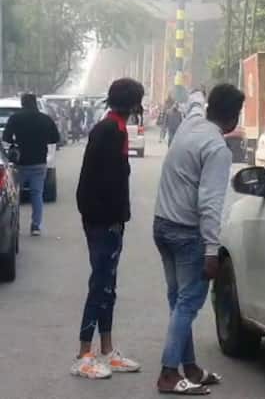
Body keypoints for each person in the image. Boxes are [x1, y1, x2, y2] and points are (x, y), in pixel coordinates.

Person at [154, 84, 245, 395]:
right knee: (188, 304)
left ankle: (189, 368)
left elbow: (194, 101)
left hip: (162, 225)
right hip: (185, 233)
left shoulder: (191, 122)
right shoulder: (218, 149)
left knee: (178, 303)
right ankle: (168, 374)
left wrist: (196, 92)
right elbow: (210, 203)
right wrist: (211, 250)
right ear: (233, 116)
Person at [72, 78, 145, 380]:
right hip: (104, 221)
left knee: (108, 287)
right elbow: (102, 181)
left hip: (105, 218)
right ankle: (84, 354)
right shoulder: (110, 131)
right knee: (100, 285)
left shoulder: (113, 127)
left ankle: (107, 349)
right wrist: (110, 217)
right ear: (133, 104)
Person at [2, 94, 60, 236]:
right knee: (37, 194)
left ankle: (14, 225)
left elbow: (6, 138)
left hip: (19, 163)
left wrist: (15, 142)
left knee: (15, 196)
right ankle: (35, 226)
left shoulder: (15, 118)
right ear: (35, 103)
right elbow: (55, 138)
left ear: (22, 104)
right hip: (39, 162)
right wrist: (42, 140)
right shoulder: (45, 119)